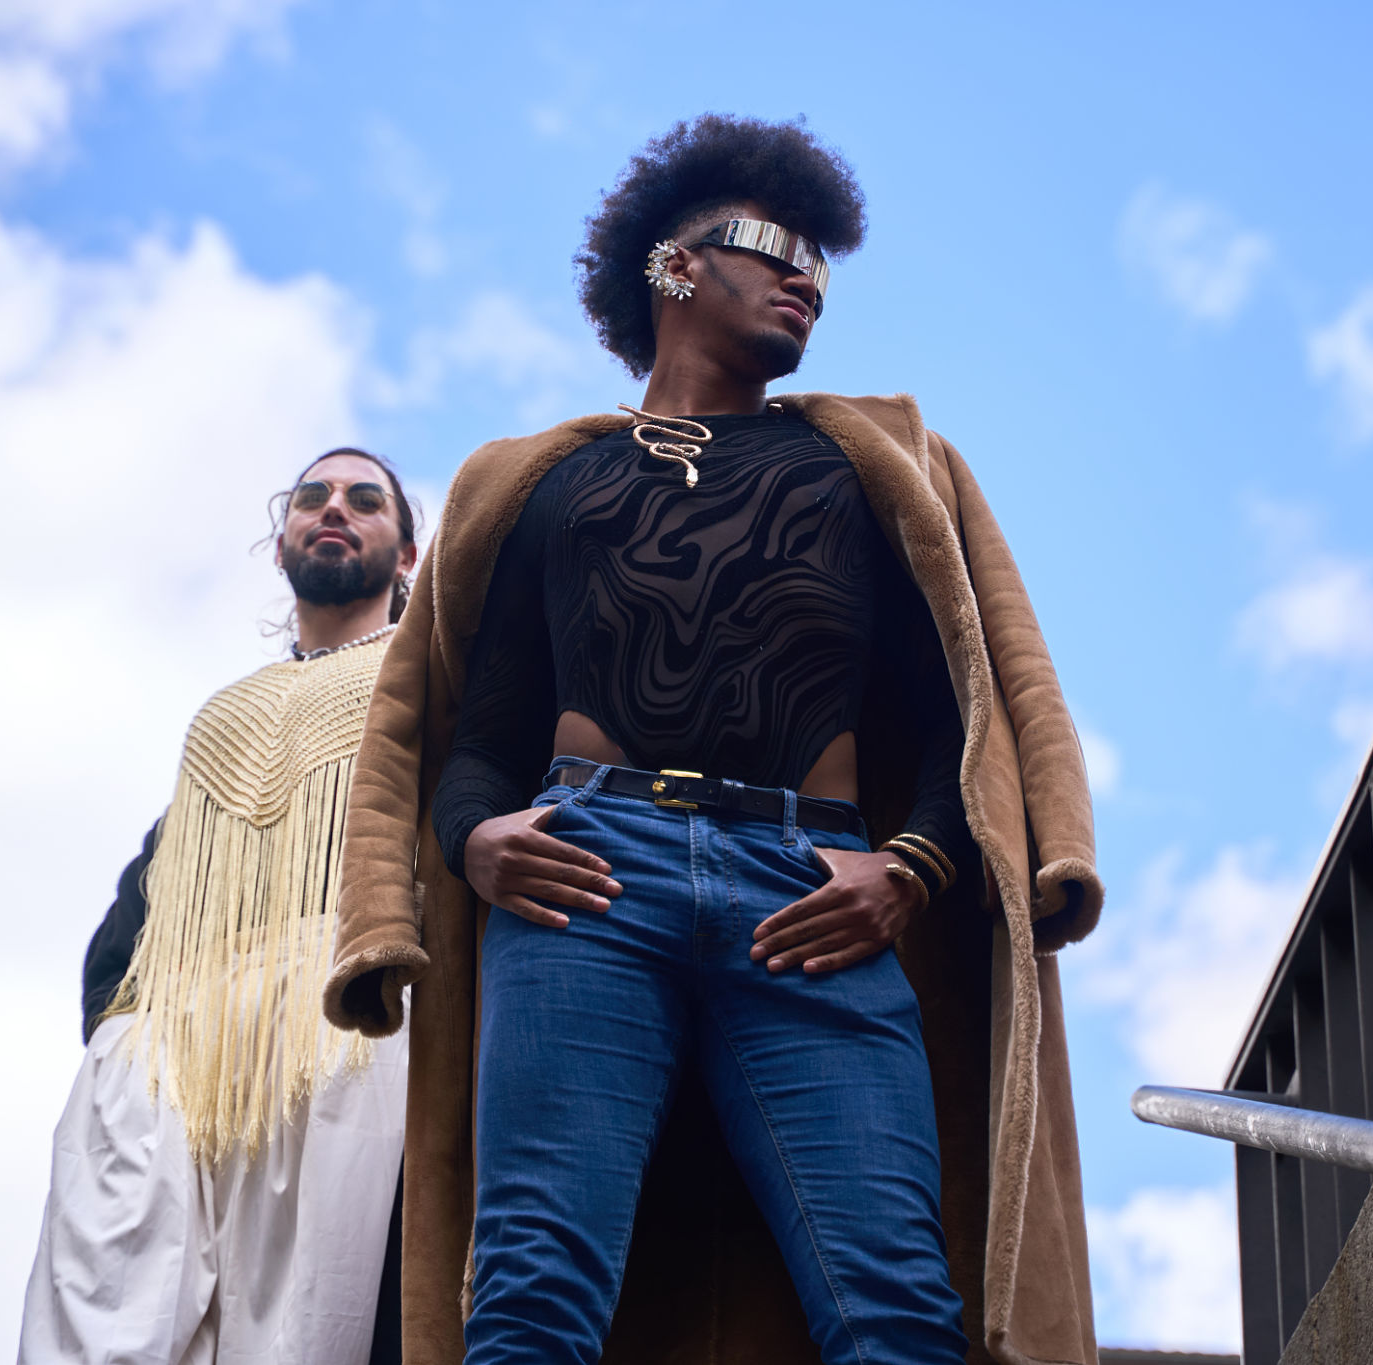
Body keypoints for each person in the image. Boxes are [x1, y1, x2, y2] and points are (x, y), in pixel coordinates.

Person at [324, 115, 1106, 1365]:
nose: (807, 278)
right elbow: (481, 732)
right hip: (585, 878)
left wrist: (910, 870)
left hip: (812, 890)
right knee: (529, 1290)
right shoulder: (542, 484)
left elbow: (959, 728)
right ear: (673, 265)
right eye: (773, 247)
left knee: (897, 1299)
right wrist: (473, 841)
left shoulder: (859, 465)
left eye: (820, 265)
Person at [20, 448, 420, 1365]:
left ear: (406, 556)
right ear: (281, 543)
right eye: (312, 497)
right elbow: (140, 905)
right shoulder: (223, 712)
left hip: (349, 1019)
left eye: (365, 500)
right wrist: (125, 1034)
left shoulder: (426, 676)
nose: (334, 508)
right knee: (120, 1307)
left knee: (313, 1311)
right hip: (187, 1040)